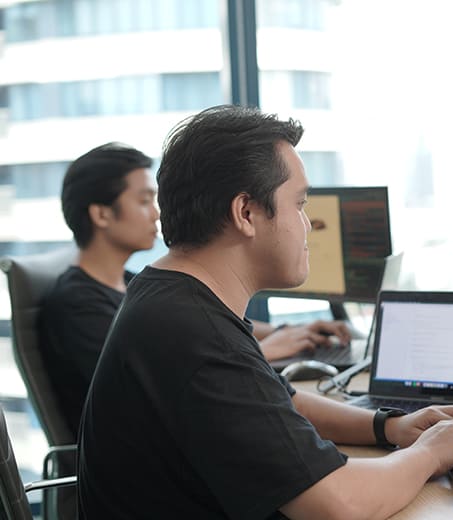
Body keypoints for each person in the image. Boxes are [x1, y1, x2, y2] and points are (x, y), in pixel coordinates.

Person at [77, 105, 453, 519]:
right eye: (300, 204)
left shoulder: (172, 296)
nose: (308, 225)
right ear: (246, 213)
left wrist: (387, 426)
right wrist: (431, 453)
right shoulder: (191, 332)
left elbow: (281, 402)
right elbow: (338, 505)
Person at [40, 143, 350, 435]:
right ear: (101, 214)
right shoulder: (77, 303)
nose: (157, 213)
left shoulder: (133, 283)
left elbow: (198, 336)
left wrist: (285, 330)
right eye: (145, 200)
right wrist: (262, 352)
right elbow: (157, 385)